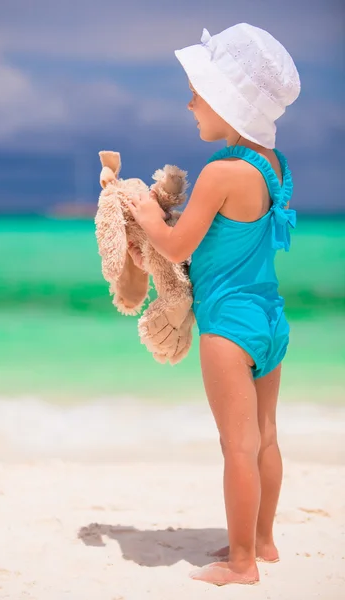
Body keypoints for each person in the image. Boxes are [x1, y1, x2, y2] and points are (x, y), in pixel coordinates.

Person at [127, 23, 301, 586]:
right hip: (270, 319)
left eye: (198, 94)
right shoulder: (271, 163)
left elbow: (177, 245)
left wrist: (139, 207)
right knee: (266, 438)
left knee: (236, 447)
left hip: (227, 325)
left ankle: (242, 563)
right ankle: (266, 541)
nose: (191, 103)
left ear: (227, 103)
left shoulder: (221, 172)